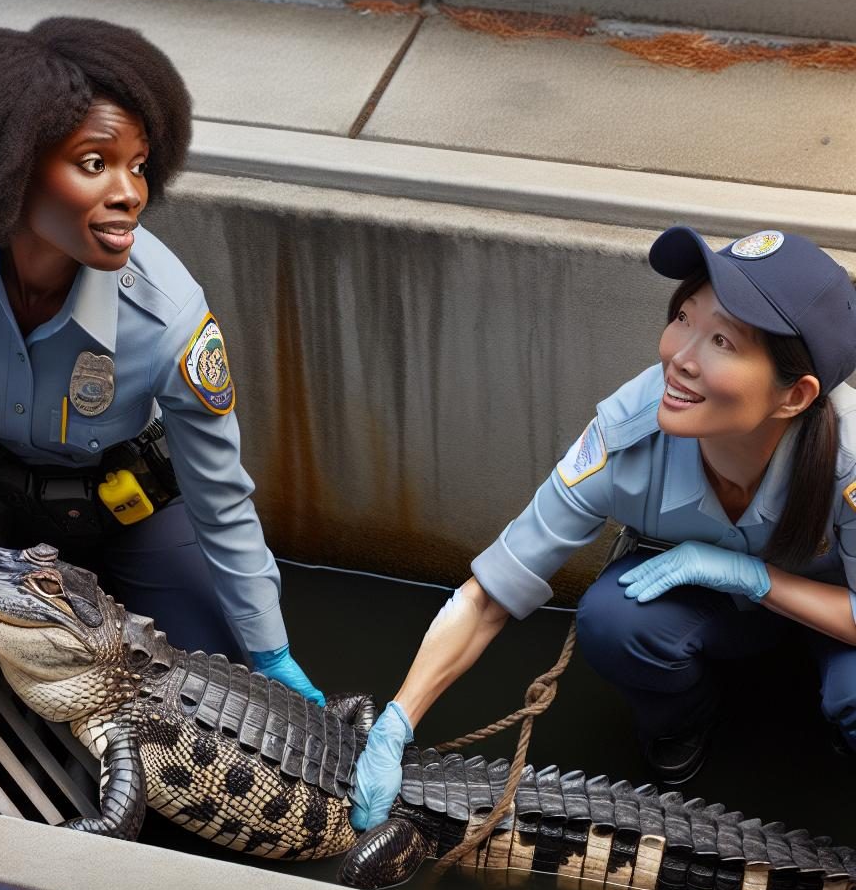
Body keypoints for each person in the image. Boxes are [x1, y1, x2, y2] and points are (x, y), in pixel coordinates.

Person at [0, 18, 324, 705]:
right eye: (95, 163)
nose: (130, 193)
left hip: (141, 512)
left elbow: (222, 502)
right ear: (10, 167)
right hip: (9, 522)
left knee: (217, 704)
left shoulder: (168, 318)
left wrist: (269, 650)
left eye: (139, 164)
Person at [350, 225, 856, 829]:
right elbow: (491, 595)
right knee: (614, 618)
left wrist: (754, 577)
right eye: (684, 318)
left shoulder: (849, 456)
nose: (680, 357)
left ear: (794, 396)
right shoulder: (624, 434)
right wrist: (396, 724)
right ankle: (686, 722)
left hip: (834, 618)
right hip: (710, 617)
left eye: (722, 340)